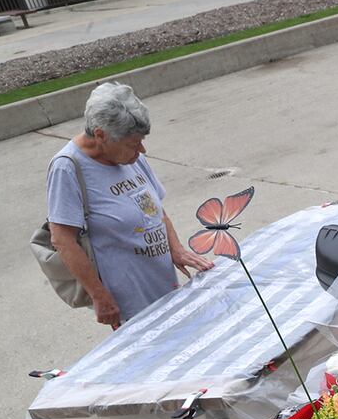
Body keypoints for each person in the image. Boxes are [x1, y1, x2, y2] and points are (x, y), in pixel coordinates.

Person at [45, 82, 214, 330]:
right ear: (101, 135)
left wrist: (176, 249)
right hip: (129, 303)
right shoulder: (67, 167)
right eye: (133, 143)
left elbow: (156, 210)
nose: (142, 149)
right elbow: (62, 239)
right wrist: (99, 296)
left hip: (164, 284)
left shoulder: (132, 158)